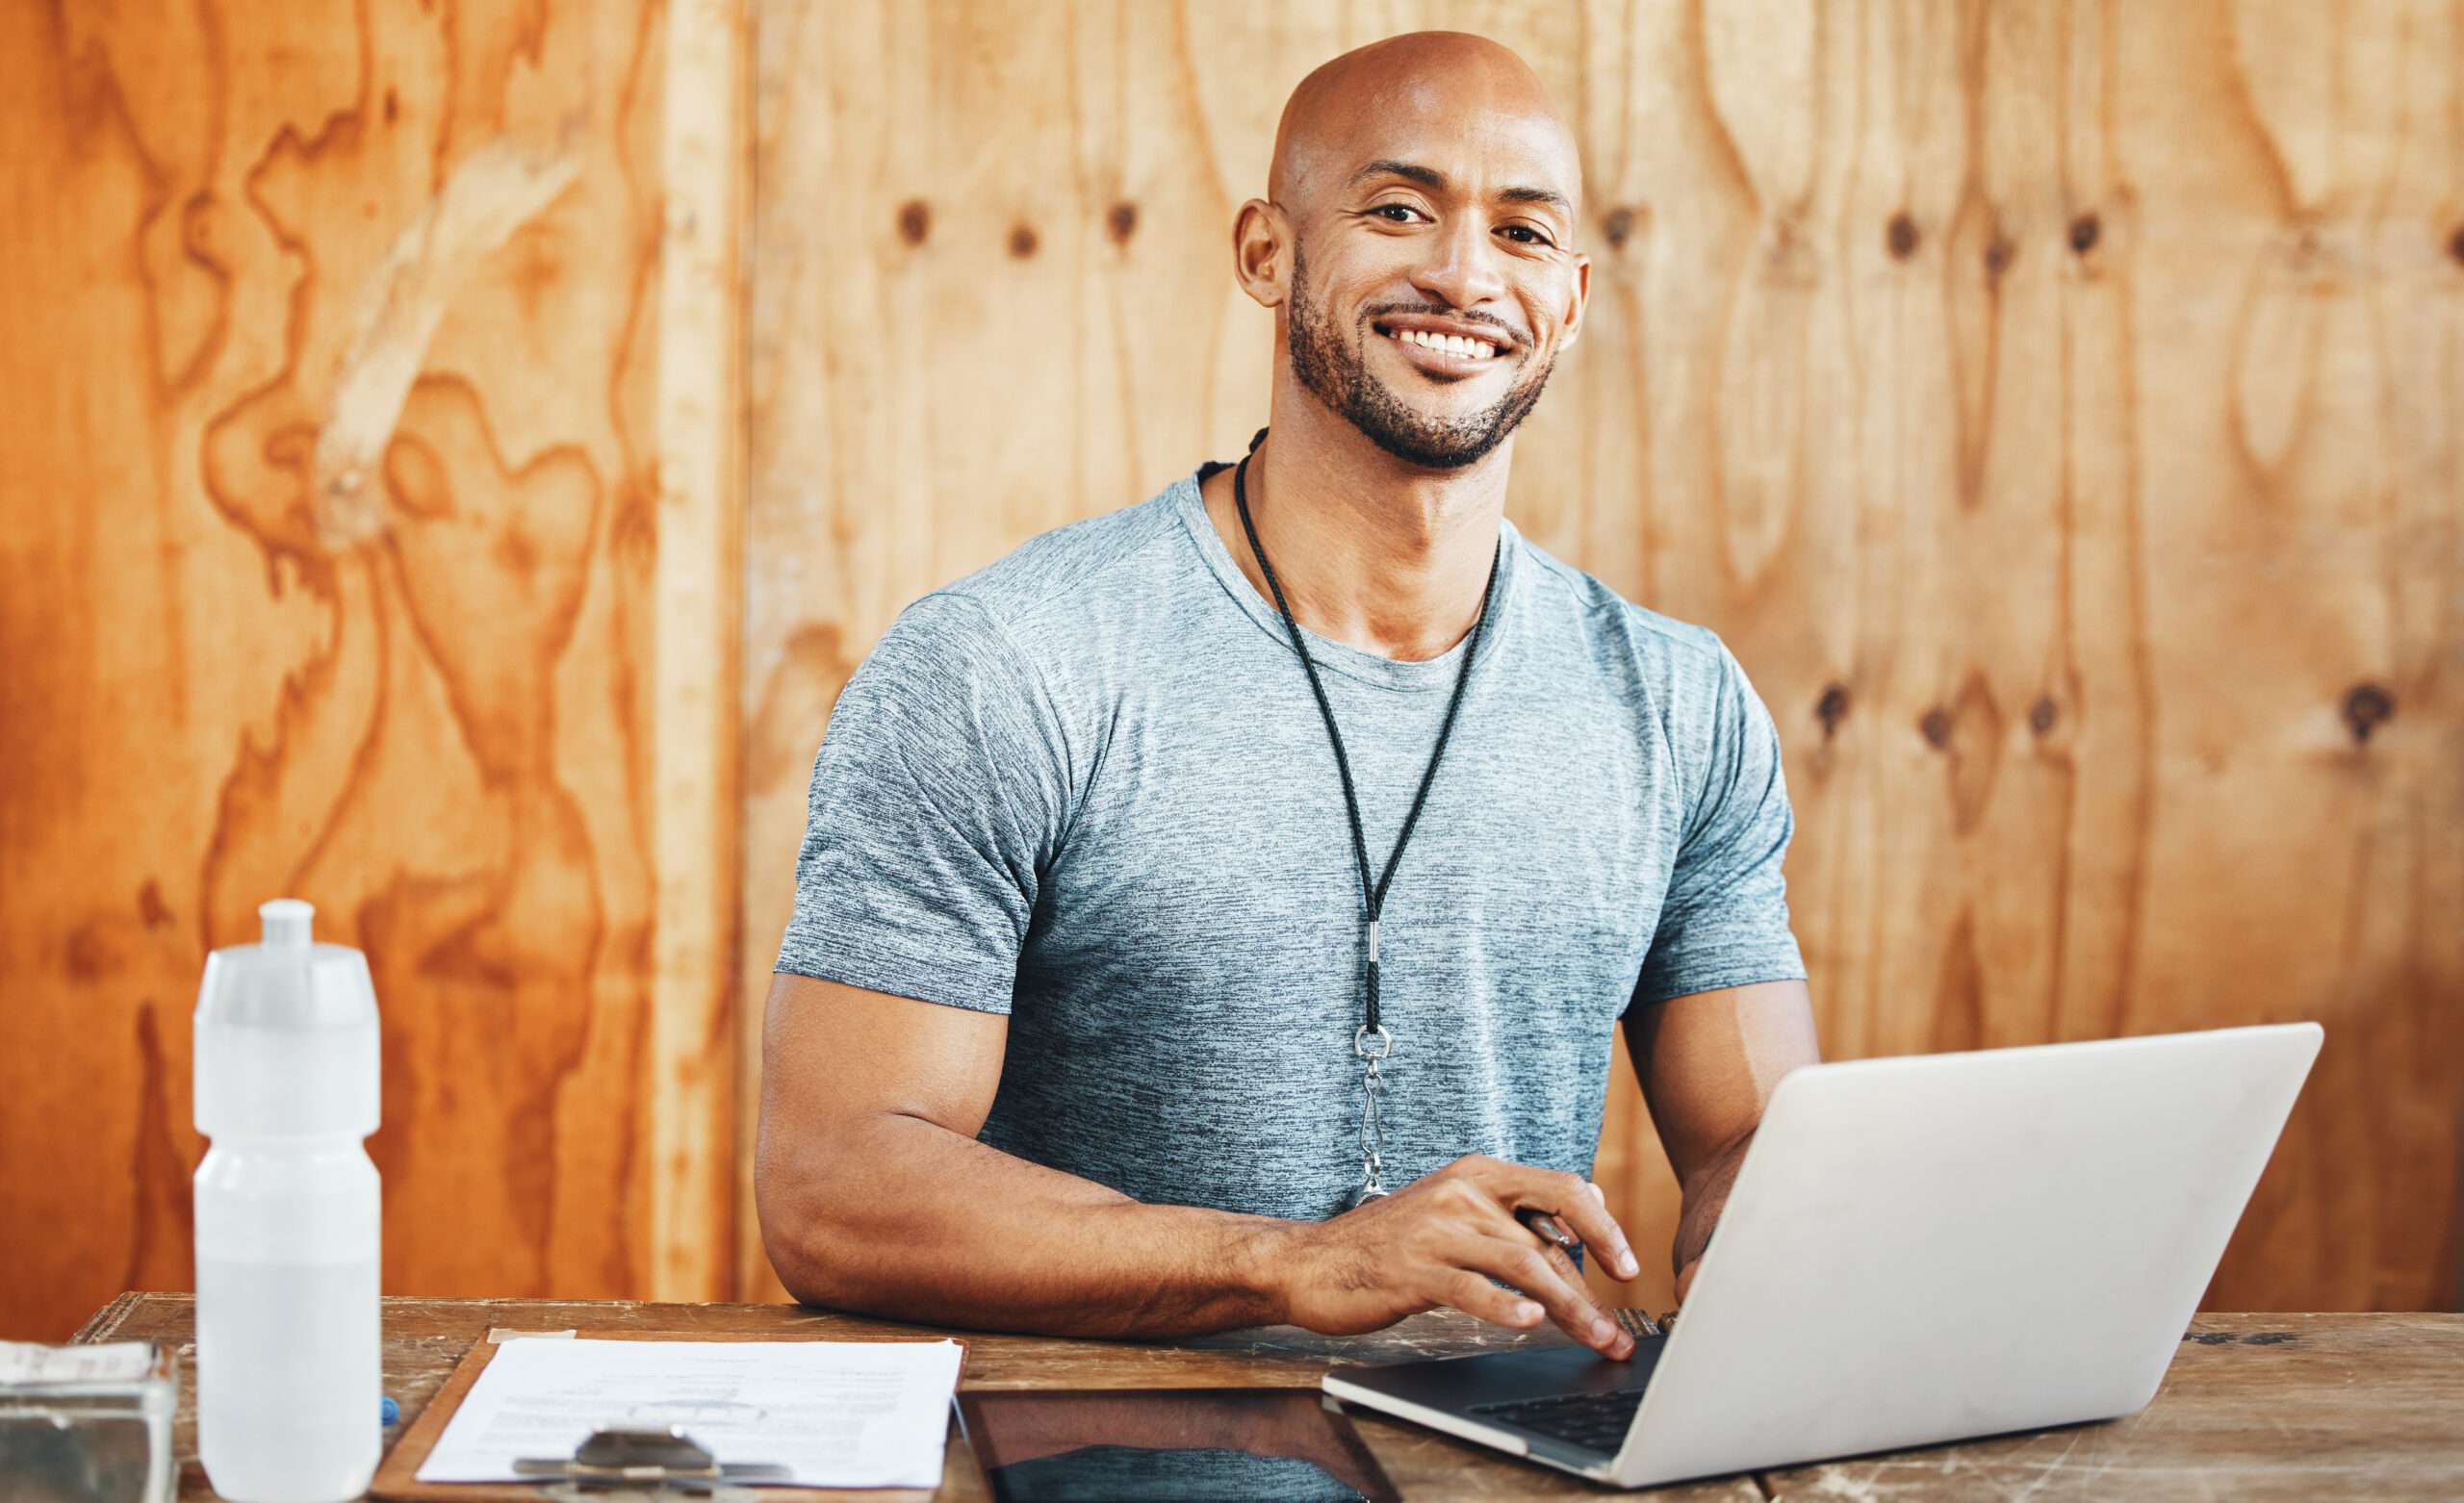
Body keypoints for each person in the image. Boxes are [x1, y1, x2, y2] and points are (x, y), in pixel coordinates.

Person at [756, 30, 1819, 1363]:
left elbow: (1749, 1146)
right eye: (1397, 210)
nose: (1465, 273)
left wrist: (1783, 1245)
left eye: (1524, 233)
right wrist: (1290, 1265)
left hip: (1511, 1467)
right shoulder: (1006, 664)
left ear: (1575, 294)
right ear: (1268, 252)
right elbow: (834, 1187)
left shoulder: (1678, 705)